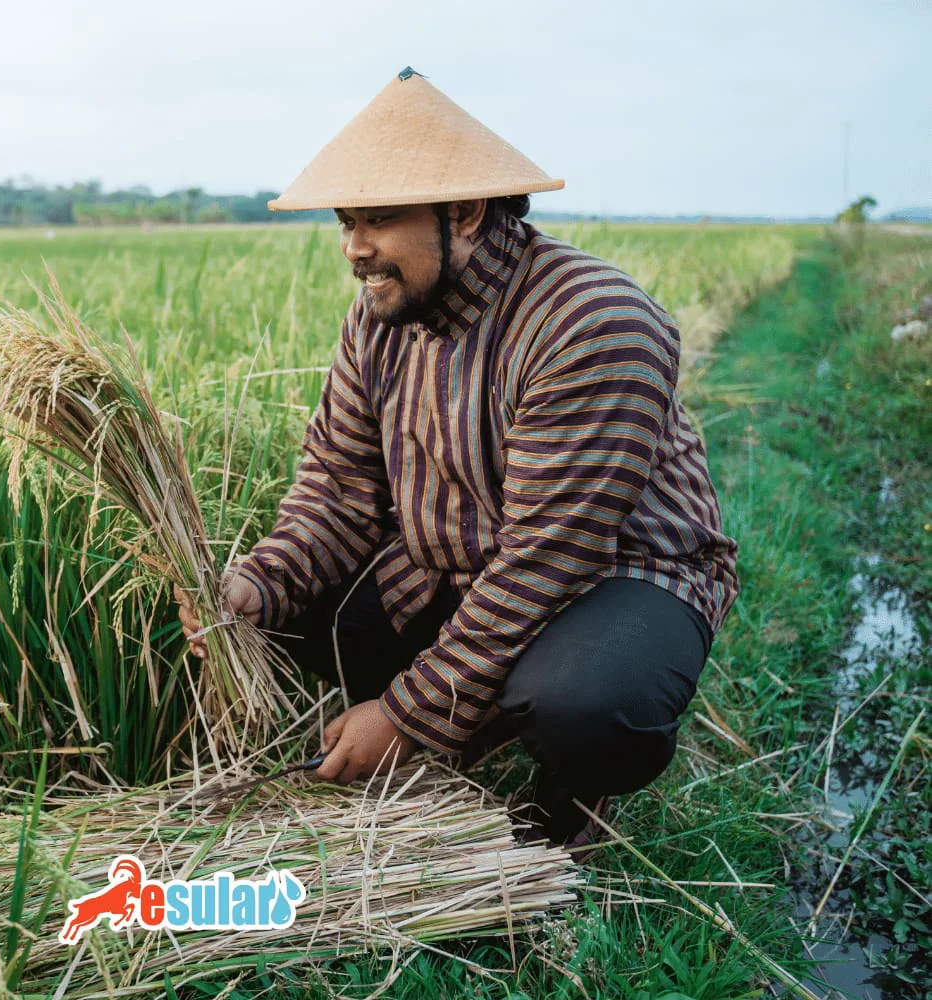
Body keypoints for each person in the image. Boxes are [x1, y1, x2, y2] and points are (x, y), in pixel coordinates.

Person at [175, 68, 739, 849]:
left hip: (612, 575)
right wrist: (251, 587)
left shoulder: (592, 323)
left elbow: (548, 561)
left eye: (375, 220)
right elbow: (336, 491)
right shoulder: (381, 315)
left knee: (584, 704)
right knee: (289, 612)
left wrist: (406, 717)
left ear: (466, 211)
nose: (353, 248)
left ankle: (572, 776)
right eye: (345, 222)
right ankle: (483, 709)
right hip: (454, 566)